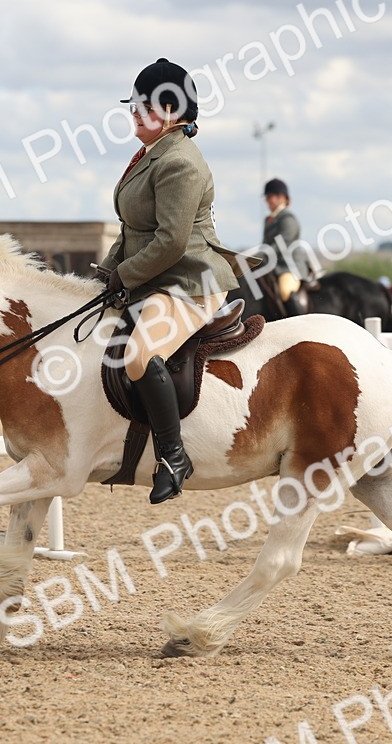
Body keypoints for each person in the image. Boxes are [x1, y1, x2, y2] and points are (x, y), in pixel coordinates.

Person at [100, 57, 246, 504]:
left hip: (189, 280)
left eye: (140, 106)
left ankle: (173, 455)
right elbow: (133, 231)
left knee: (140, 355)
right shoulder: (151, 153)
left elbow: (169, 242)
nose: (132, 114)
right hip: (157, 277)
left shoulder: (180, 160)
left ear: (168, 109)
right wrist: (105, 273)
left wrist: (124, 275)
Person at [262, 178, 312, 316]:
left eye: (270, 197)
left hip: (289, 266)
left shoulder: (288, 219)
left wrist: (262, 256)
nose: (267, 200)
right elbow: (265, 244)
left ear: (282, 197)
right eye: (266, 197)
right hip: (272, 266)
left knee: (285, 291)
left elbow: (282, 243)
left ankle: (300, 323)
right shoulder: (269, 219)